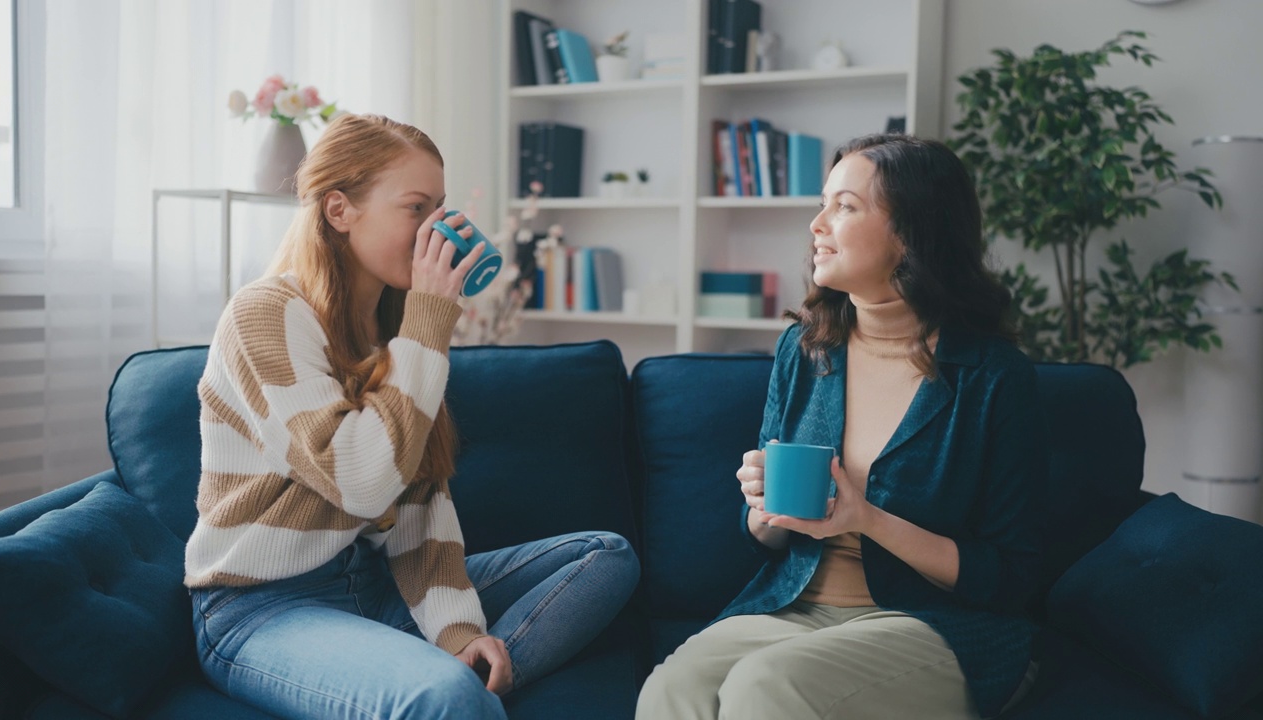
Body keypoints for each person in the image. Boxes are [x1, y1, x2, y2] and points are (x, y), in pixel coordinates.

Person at [185, 113, 640, 720]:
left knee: (606, 557)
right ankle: (449, 696)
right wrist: (428, 321)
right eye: (416, 208)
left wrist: (457, 635)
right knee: (444, 695)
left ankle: (473, 682)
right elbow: (360, 480)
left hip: (372, 588)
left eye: (441, 208)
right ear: (339, 210)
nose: (437, 231)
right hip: (263, 608)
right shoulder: (266, 315)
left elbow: (419, 507)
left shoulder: (393, 332)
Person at [636, 134, 1048, 720]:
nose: (817, 224)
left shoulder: (993, 378)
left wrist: (866, 520)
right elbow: (767, 534)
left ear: (912, 232)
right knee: (670, 689)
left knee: (767, 685)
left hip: (932, 624)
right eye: (823, 203)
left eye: (845, 206)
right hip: (796, 605)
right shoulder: (805, 350)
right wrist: (761, 507)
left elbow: (1012, 575)